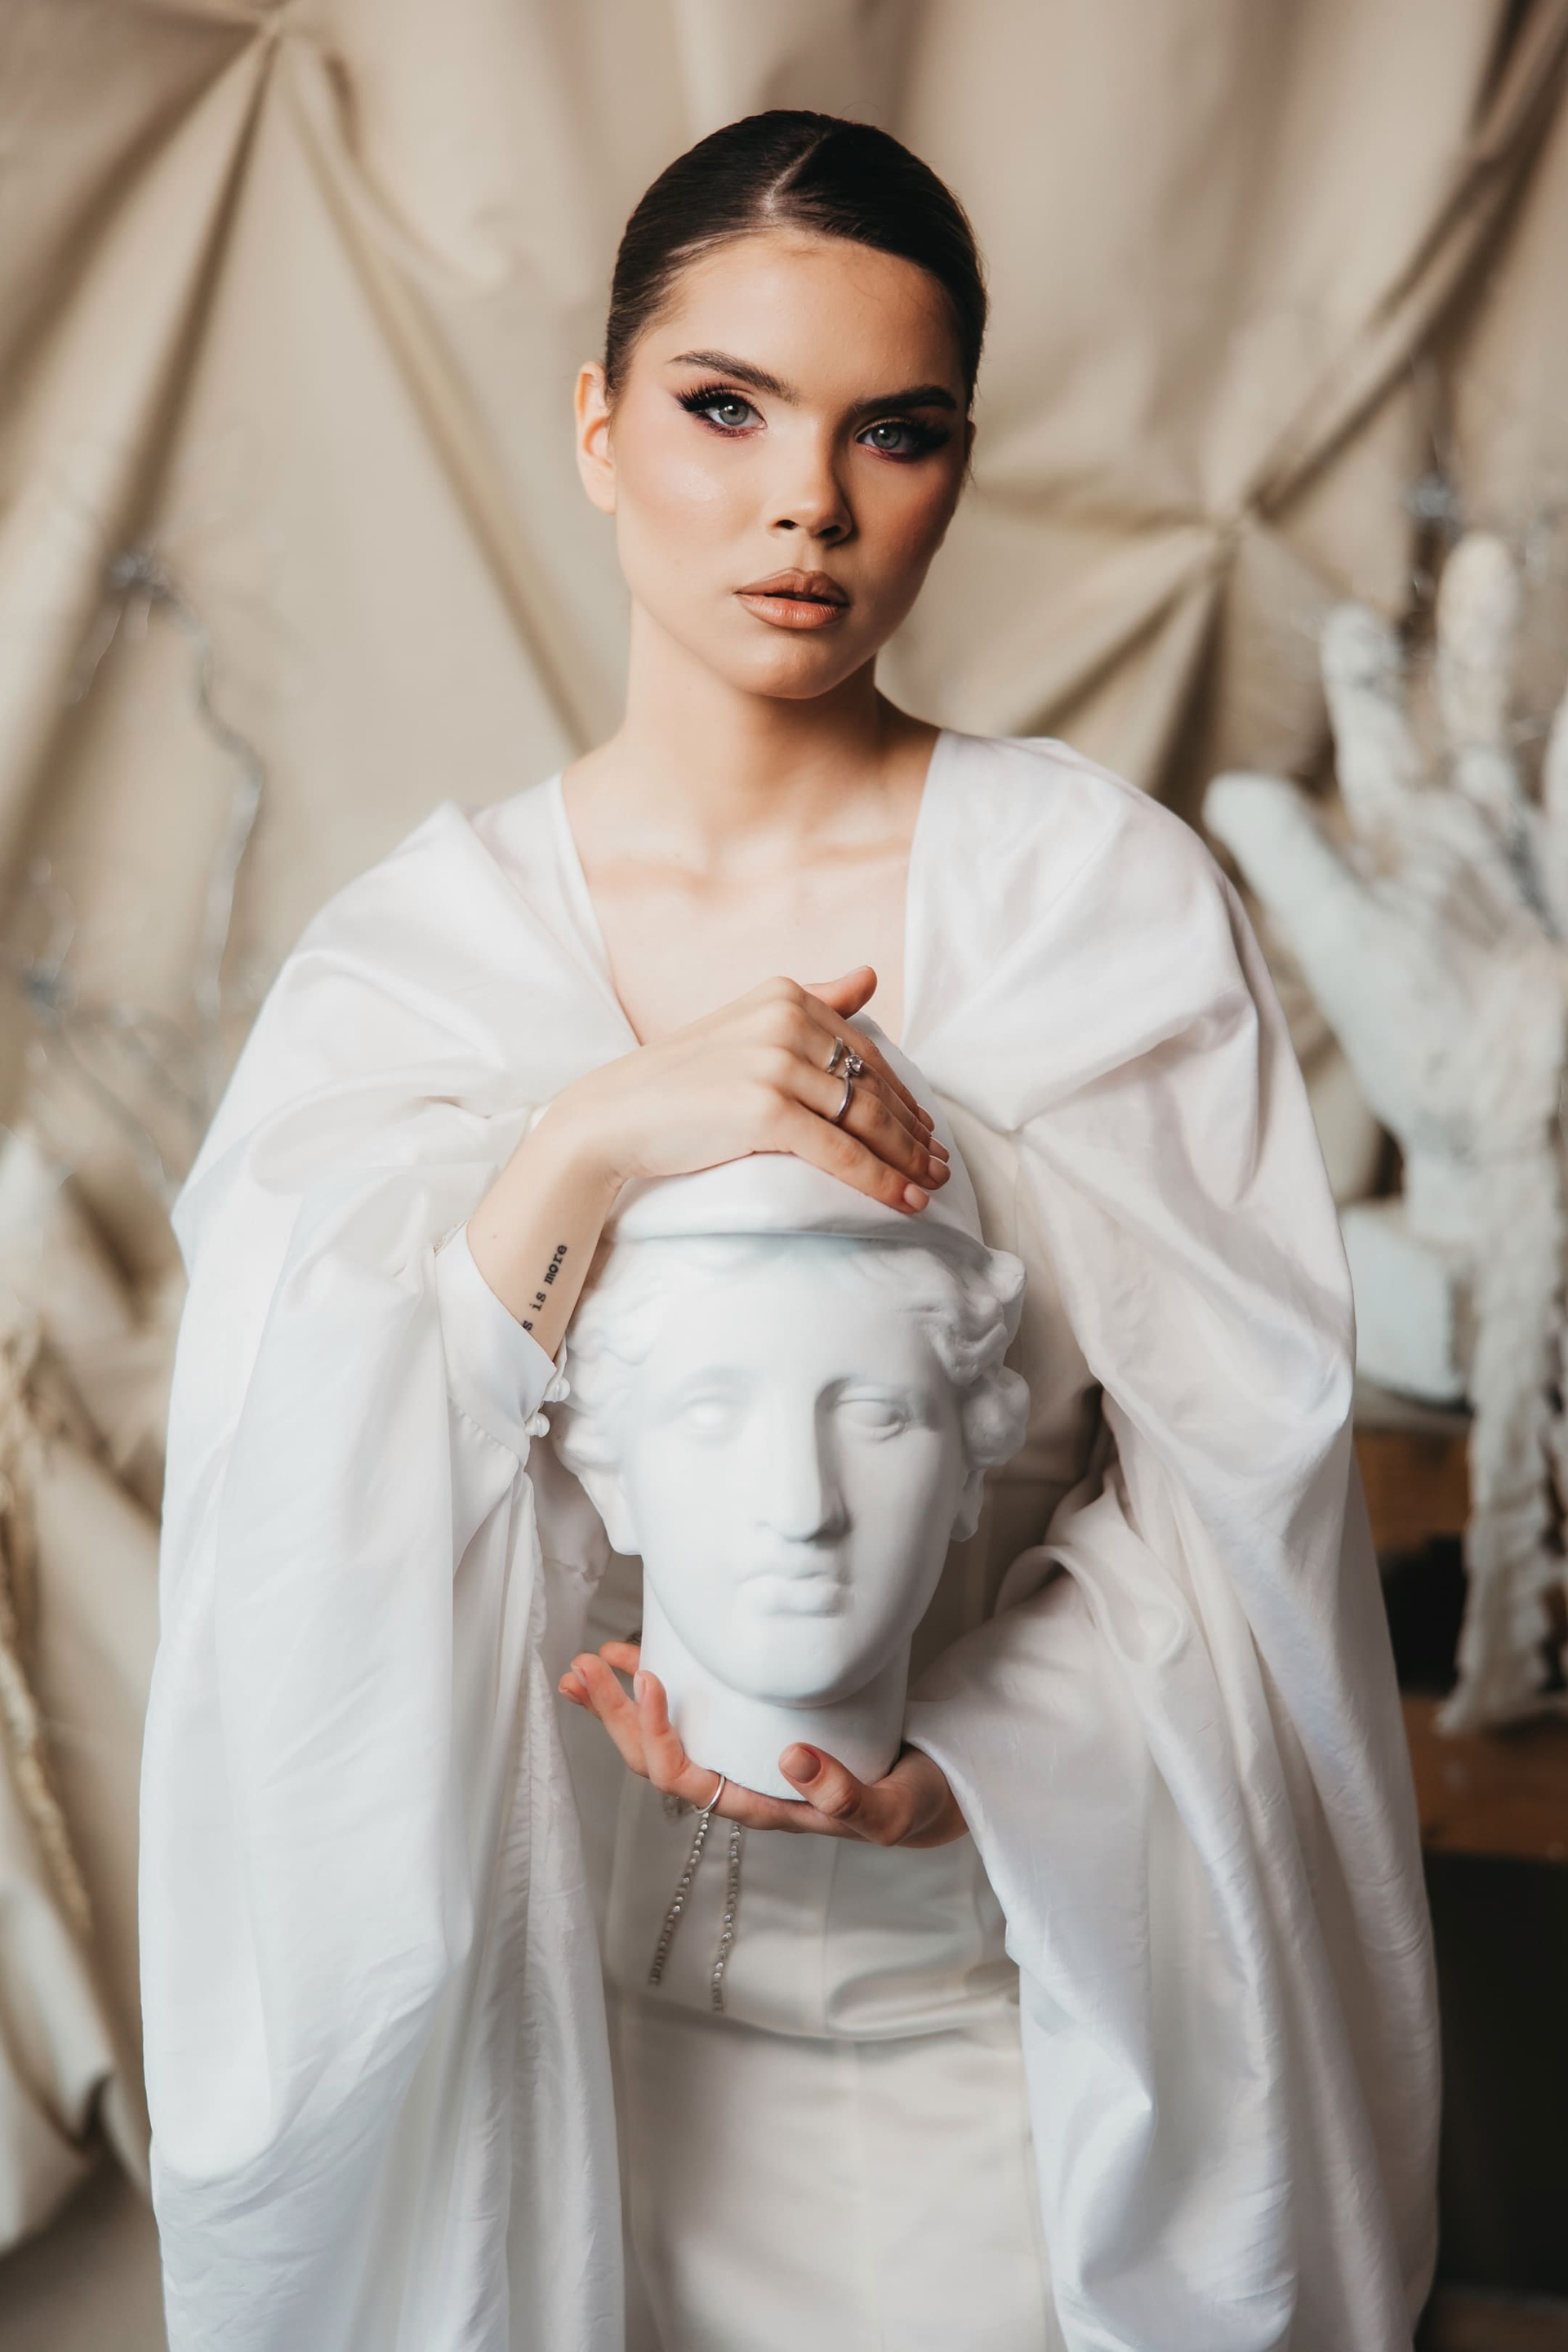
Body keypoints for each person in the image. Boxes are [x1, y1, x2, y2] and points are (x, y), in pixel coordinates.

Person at [140, 110, 1439, 2352]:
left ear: (956, 466)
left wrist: (981, 1774)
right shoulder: (409, 971)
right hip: (560, 2079)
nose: (809, 506)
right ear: (598, 423)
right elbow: (285, 1550)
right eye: (725, 408)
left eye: (892, 433)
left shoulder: (1099, 911)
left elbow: (1243, 1520)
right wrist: (586, 1143)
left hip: (1018, 2050)